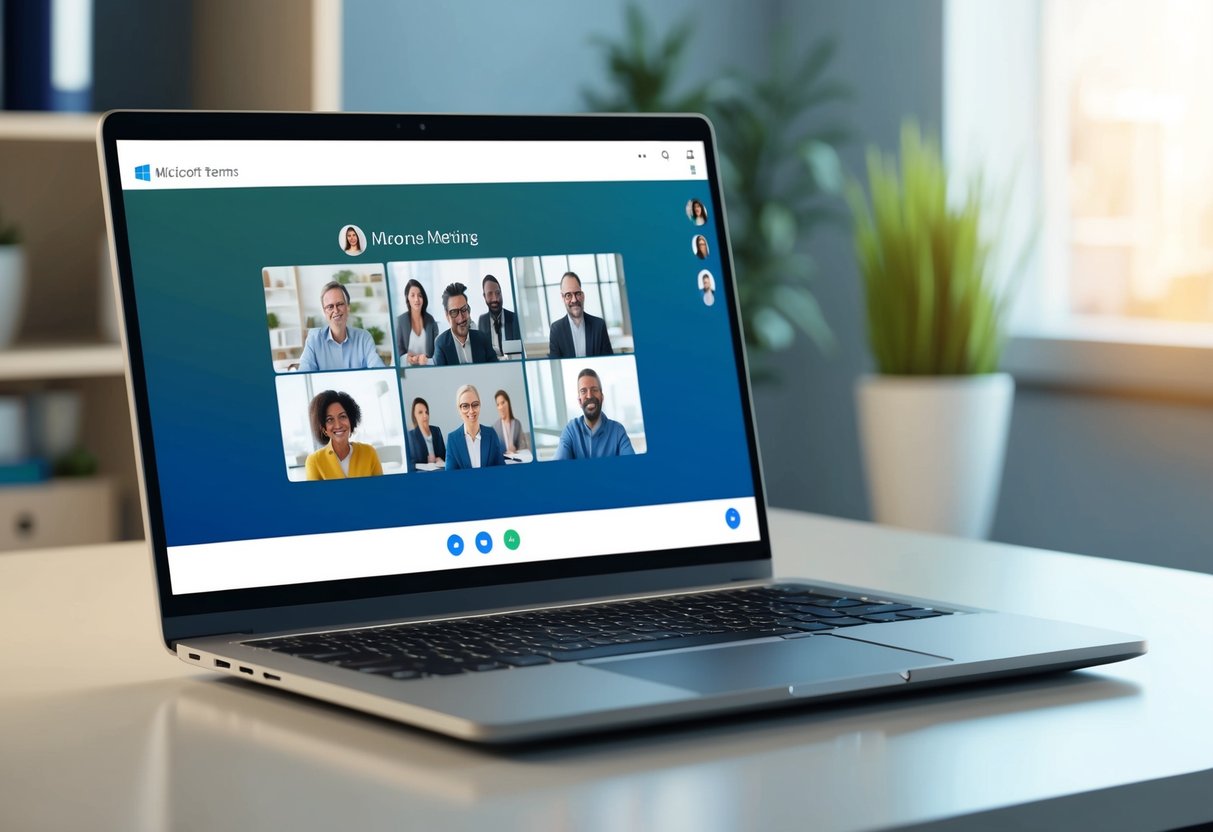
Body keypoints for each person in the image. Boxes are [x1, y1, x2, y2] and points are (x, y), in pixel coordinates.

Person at [298, 281, 386, 372]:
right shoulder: (314, 339)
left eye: (340, 304)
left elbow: (379, 371)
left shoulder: (364, 338)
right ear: (324, 312)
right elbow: (303, 374)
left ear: (348, 307)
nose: (336, 310)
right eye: (330, 307)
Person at [555, 368, 635, 460]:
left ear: (602, 397)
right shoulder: (570, 430)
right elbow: (558, 467)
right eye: (583, 391)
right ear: (579, 401)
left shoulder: (617, 431)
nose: (589, 395)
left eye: (594, 390)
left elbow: (632, 466)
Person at [304, 389, 383, 479]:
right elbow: (315, 493)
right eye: (330, 419)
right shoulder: (314, 461)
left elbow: (381, 490)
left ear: (351, 420)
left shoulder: (369, 452)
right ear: (323, 429)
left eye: (342, 416)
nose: (338, 425)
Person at [547, 271, 613, 358]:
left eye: (577, 293)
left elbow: (608, 359)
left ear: (582, 295)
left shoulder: (599, 326)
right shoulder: (556, 330)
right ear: (562, 298)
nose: (574, 300)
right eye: (568, 295)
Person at [432, 282, 500, 365]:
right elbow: (440, 376)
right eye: (454, 312)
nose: (461, 317)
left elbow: (496, 370)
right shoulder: (441, 344)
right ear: (447, 315)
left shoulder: (483, 339)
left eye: (464, 309)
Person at [445, 384, 505, 470]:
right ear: (459, 410)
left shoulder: (491, 434)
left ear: (479, 406)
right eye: (465, 406)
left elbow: (502, 471)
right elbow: (450, 478)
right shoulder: (452, 439)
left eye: (475, 404)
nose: (471, 410)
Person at [477, 274, 520, 358]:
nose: (495, 299)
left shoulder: (515, 318)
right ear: (484, 296)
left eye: (498, 293)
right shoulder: (482, 321)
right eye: (490, 294)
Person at [396, 279, 438, 365]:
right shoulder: (400, 321)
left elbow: (437, 351)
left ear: (423, 298)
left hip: (427, 368)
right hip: (407, 370)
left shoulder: (431, 320)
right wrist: (407, 358)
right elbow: (398, 351)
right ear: (407, 298)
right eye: (412, 295)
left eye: (420, 295)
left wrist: (427, 360)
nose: (416, 299)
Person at [406, 396, 445, 468]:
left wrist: (440, 459)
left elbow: (444, 455)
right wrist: (428, 463)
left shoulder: (436, 430)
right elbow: (411, 464)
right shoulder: (410, 436)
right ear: (414, 415)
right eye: (420, 412)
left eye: (426, 412)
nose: (425, 415)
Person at [492, 389, 528, 455]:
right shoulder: (494, 428)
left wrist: (515, 449)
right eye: (498, 405)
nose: (501, 407)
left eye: (503, 403)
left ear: (508, 402)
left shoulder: (517, 424)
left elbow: (523, 446)